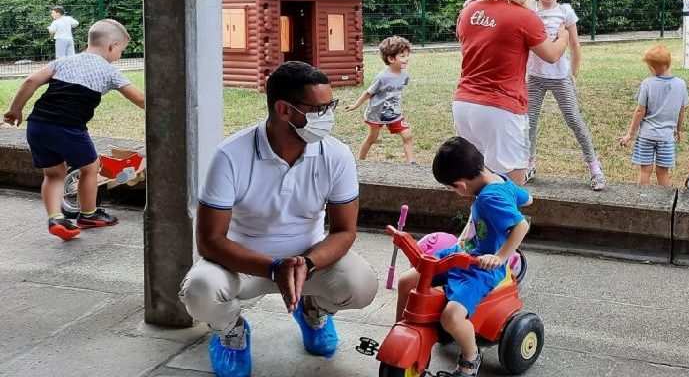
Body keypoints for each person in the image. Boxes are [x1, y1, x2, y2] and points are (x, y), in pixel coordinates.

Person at [178, 62, 378, 377]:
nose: (328, 116)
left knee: (362, 284)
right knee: (199, 291)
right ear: (284, 110)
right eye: (319, 108)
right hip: (242, 264)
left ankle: (312, 309)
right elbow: (210, 241)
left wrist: (307, 264)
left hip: (308, 261)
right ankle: (231, 331)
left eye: (331, 106)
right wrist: (273, 267)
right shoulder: (230, 156)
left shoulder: (336, 155)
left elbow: (344, 230)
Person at [394, 136, 532, 377]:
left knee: (451, 316)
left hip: (480, 268)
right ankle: (400, 330)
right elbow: (526, 198)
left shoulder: (491, 197)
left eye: (450, 188)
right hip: (460, 254)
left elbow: (521, 226)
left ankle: (471, 357)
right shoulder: (499, 178)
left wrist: (499, 257)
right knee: (407, 281)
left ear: (460, 185)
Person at [3, 19, 145, 240]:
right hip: (68, 128)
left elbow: (31, 80)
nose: (120, 56)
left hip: (38, 125)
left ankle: (56, 218)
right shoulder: (109, 71)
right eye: (121, 51)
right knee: (91, 167)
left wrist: (15, 110)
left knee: (53, 174)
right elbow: (141, 99)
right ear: (112, 46)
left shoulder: (63, 61)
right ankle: (88, 214)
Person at [453, 0, 569, 185]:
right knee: (512, 185)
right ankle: (507, 223)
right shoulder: (523, 16)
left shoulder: (469, 10)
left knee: (476, 182)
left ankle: (478, 222)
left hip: (463, 104)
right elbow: (551, 55)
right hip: (500, 108)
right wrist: (564, 37)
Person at [525, 0, 607, 191]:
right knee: (529, 122)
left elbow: (574, 45)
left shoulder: (565, 12)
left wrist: (575, 74)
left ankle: (594, 167)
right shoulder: (530, 11)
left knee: (574, 119)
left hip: (560, 77)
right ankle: (529, 164)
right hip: (535, 78)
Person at [620, 45, 689, 186]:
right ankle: (664, 202)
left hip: (646, 135)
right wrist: (678, 129)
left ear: (652, 67)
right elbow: (681, 111)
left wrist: (630, 134)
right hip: (666, 137)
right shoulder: (681, 84)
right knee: (663, 172)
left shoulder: (647, 84)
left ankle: (642, 199)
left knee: (645, 170)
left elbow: (640, 111)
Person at [345, 36, 416, 165]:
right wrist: (356, 105)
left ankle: (412, 163)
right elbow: (368, 92)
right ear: (391, 59)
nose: (407, 58)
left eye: (407, 55)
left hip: (395, 114)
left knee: (407, 135)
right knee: (372, 139)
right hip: (377, 114)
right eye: (403, 56)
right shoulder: (382, 77)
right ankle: (359, 162)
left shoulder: (404, 75)